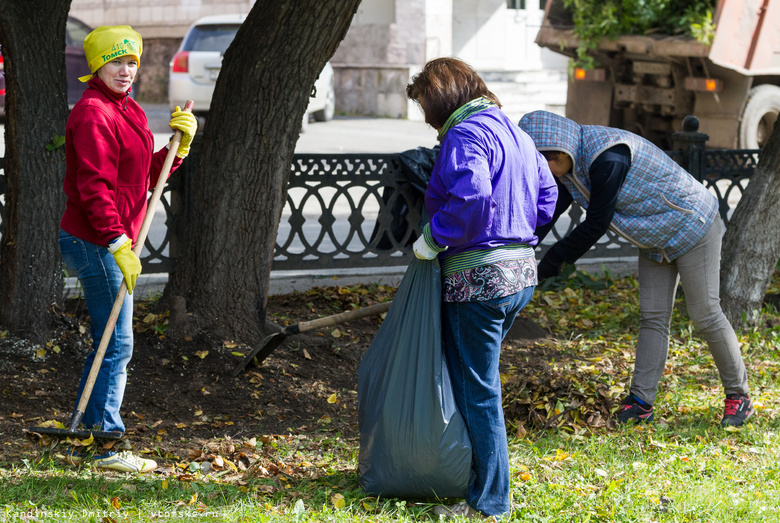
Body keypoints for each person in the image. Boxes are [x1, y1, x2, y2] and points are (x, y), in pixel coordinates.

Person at [518, 110, 753, 427]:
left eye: (541, 166)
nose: (542, 176)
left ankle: (739, 397)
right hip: (655, 237)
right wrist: (519, 248)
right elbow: (546, 213)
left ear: (558, 151)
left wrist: (549, 264)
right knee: (653, 318)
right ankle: (641, 402)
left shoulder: (608, 158)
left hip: (693, 224)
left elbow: (596, 224)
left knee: (706, 313)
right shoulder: (568, 168)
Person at [406, 58, 558, 520]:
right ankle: (479, 482)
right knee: (479, 383)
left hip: (478, 282)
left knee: (478, 391)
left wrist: (433, 239)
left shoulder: (464, 134)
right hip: (519, 278)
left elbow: (470, 198)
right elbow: (548, 196)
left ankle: (490, 503)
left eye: (426, 107)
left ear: (444, 98)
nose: (427, 120)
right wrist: (513, 233)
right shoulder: (516, 133)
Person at [59, 25, 197, 472]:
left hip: (111, 239)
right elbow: (94, 188)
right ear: (97, 65)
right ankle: (109, 447)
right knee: (118, 343)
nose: (125, 70)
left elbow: (141, 179)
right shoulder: (93, 114)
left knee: (109, 340)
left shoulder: (130, 109)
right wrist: (118, 241)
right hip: (96, 240)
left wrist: (179, 147)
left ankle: (87, 427)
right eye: (115, 61)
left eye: (132, 61)